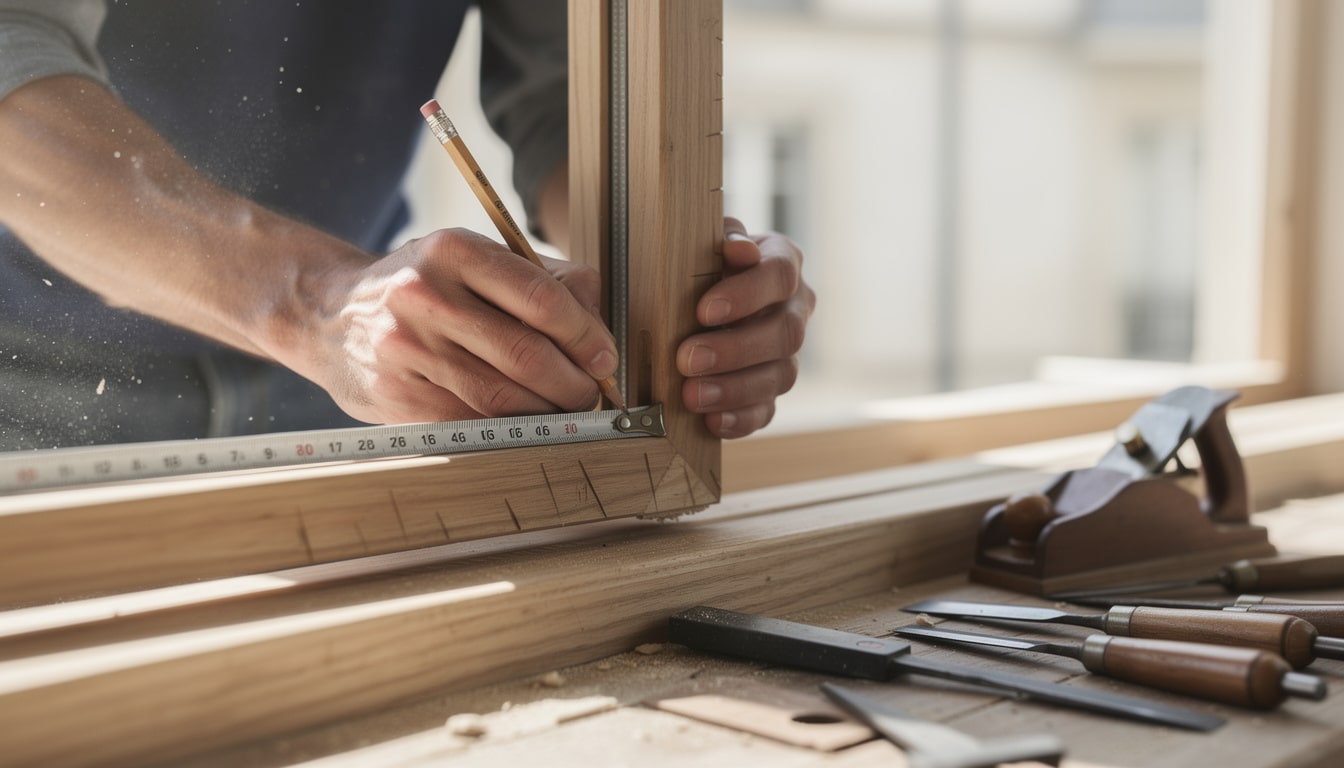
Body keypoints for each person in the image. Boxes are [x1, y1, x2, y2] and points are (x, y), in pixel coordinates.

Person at [0, 1, 815, 451]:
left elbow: (573, 92)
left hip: (350, 398)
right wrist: (311, 301)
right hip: (26, 380)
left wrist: (660, 289)